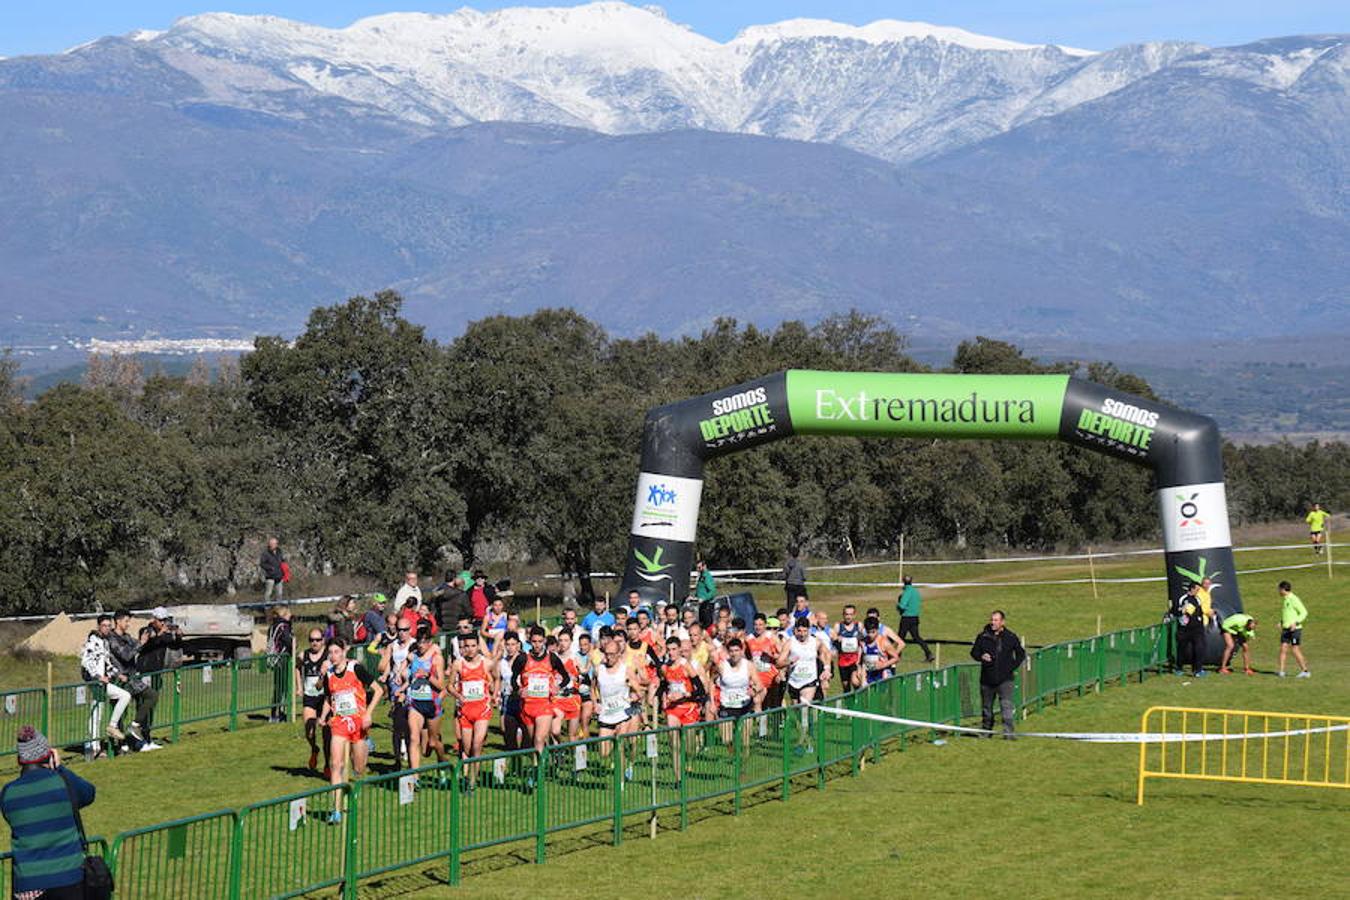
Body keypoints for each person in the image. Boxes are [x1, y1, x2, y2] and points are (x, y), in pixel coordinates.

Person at [1, 727, 96, 900]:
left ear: (19, 760)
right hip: (68, 877)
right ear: (48, 755)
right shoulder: (63, 782)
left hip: (28, 883)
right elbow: (88, 794)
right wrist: (60, 768)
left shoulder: (8, 793)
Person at [318, 638, 384, 823]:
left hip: (358, 723)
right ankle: (336, 810)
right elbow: (328, 698)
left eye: (336, 652)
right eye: (330, 653)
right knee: (336, 766)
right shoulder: (329, 674)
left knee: (358, 768)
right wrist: (323, 717)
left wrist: (368, 715)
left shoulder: (355, 668)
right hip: (338, 723)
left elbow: (378, 690)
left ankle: (366, 744)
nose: (333, 656)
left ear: (344, 652)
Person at [512, 626, 570, 761]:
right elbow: (512, 679)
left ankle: (539, 773)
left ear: (544, 640)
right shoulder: (522, 658)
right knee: (534, 742)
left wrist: (558, 687)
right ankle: (538, 766)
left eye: (539, 641)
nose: (537, 645)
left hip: (545, 705)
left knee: (539, 739)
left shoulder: (552, 658)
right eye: (534, 641)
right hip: (528, 706)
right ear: (529, 641)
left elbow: (566, 677)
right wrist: (519, 690)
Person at [108, 611, 160, 751]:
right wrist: (140, 643)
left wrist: (150, 637)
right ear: (118, 621)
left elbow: (137, 646)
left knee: (152, 695)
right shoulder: (112, 639)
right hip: (120, 679)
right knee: (121, 713)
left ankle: (135, 727)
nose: (128, 624)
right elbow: (126, 655)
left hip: (132, 677)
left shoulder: (126, 637)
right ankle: (121, 745)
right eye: (126, 621)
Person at [80, 615, 131, 758]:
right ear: (98, 626)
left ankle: (104, 734)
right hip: (95, 681)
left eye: (109, 625)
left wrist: (117, 674)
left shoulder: (105, 642)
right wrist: (97, 676)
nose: (107, 628)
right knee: (97, 711)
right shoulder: (93, 640)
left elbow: (107, 663)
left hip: (103, 681)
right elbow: (86, 661)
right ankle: (94, 746)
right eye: (104, 625)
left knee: (120, 698)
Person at [450, 631, 496, 790]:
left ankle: (472, 781)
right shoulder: (458, 664)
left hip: (482, 710)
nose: (470, 649)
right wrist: (457, 695)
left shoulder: (487, 663)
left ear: (478, 646)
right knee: (467, 747)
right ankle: (468, 774)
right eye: (467, 646)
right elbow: (449, 686)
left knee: (477, 745)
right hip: (465, 710)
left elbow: (497, 678)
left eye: (473, 646)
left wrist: (494, 694)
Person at [970, 610, 1025, 739]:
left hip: (1005, 680)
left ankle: (1008, 733)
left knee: (1006, 707)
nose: (993, 622)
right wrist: (981, 656)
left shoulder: (1010, 637)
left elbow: (1021, 654)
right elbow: (973, 653)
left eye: (995, 620)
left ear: (1002, 622)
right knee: (986, 708)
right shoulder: (982, 636)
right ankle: (986, 731)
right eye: (992, 620)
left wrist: (1011, 667)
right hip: (987, 679)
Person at [406, 622, 448, 782]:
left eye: (425, 641)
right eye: (419, 641)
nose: (421, 644)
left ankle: (443, 764)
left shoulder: (436, 658)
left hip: (432, 704)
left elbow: (441, 685)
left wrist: (427, 676)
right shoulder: (413, 656)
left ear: (430, 642)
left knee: (432, 742)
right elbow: (407, 672)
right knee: (414, 739)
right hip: (416, 702)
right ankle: (414, 778)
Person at [378, 616, 415, 769]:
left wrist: (404, 674)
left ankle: (409, 750)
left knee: (409, 720)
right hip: (395, 685)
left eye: (405, 630)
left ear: (410, 630)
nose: (402, 633)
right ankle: (398, 757)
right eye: (399, 630)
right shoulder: (393, 645)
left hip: (411, 685)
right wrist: (385, 674)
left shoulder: (414, 645)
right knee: (397, 720)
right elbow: (387, 664)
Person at [296, 629, 331, 774]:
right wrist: (299, 687)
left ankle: (328, 764)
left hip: (325, 698)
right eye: (311, 640)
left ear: (323, 640)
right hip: (309, 697)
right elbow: (297, 668)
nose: (314, 643)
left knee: (326, 734)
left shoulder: (328, 655)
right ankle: (314, 749)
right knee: (309, 731)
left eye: (317, 640)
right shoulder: (303, 655)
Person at [1170, 582, 1208, 677]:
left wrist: (1201, 622)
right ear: (1191, 589)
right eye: (1196, 589)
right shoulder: (1182, 598)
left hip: (1197, 629)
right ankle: (1179, 668)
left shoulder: (1197, 599)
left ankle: (1198, 670)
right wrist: (1182, 610)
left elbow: (1199, 611)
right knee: (1182, 649)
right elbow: (1174, 611)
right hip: (1184, 629)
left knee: (1199, 648)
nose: (1198, 591)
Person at [896, 576, 934, 662]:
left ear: (903, 582)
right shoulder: (916, 591)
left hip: (906, 618)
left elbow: (902, 605)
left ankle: (897, 655)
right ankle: (928, 653)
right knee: (916, 637)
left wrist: (898, 605)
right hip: (915, 617)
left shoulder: (907, 592)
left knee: (900, 638)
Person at [1276, 581, 1310, 678]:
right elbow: (1288, 613)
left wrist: (1296, 623)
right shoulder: (1285, 599)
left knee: (1295, 650)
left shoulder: (1294, 599)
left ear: (1283, 589)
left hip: (1295, 630)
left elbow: (1304, 612)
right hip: (1286, 629)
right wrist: (1282, 622)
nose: (1278, 591)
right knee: (1283, 649)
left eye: (1279, 589)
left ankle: (1305, 671)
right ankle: (1281, 672)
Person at [267, 606, 294, 721]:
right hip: (282, 659)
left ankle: (276, 712)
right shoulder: (283, 626)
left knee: (278, 687)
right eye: (288, 613)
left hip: (275, 659)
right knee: (283, 687)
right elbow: (288, 641)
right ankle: (279, 712)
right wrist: (293, 646)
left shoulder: (273, 626)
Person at [833, 605, 864, 689]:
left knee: (855, 682)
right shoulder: (838, 626)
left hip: (855, 660)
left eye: (850, 614)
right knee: (846, 686)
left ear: (854, 615)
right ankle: (849, 702)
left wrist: (860, 659)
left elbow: (862, 642)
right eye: (846, 614)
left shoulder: (859, 625)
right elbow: (833, 641)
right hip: (843, 661)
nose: (848, 617)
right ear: (843, 615)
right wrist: (837, 639)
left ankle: (858, 701)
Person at [260, 536, 285, 602]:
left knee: (279, 593)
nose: (273, 545)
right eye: (271, 544)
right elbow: (262, 564)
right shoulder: (265, 553)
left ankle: (279, 607)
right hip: (270, 576)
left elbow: (282, 561)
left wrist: (284, 571)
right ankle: (267, 607)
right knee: (268, 593)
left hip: (279, 575)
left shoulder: (279, 552)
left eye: (275, 544)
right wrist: (270, 568)